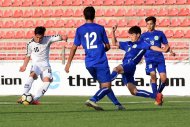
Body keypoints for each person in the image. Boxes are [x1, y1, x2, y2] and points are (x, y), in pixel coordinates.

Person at [65, 6, 125, 110]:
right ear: (94, 15)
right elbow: (108, 46)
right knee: (106, 86)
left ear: (84, 16)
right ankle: (93, 100)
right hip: (100, 61)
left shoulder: (80, 30)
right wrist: (102, 50)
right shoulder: (100, 28)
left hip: (89, 63)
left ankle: (118, 105)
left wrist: (68, 63)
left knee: (104, 85)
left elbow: (74, 47)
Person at [110, 25, 170, 105]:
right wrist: (113, 32)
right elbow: (114, 43)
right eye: (129, 35)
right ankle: (156, 96)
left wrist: (163, 50)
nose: (130, 36)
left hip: (130, 64)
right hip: (126, 67)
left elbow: (152, 47)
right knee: (134, 91)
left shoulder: (142, 44)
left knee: (116, 69)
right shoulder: (128, 44)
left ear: (138, 35)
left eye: (132, 35)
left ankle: (107, 80)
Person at [18, 26, 67, 105]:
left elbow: (58, 37)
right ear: (34, 35)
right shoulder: (30, 44)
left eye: (40, 38)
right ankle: (23, 96)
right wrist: (24, 66)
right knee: (32, 75)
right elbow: (28, 56)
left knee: (47, 81)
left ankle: (35, 99)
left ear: (43, 36)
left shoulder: (48, 39)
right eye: (37, 37)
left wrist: (63, 37)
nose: (39, 40)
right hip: (36, 65)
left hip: (45, 66)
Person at [140, 16, 175, 105]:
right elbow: (140, 48)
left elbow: (166, 45)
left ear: (155, 24)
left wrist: (170, 51)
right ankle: (157, 97)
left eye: (151, 24)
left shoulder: (160, 33)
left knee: (164, 79)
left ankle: (158, 94)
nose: (149, 26)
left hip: (159, 58)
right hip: (149, 59)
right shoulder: (143, 36)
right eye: (147, 24)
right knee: (153, 76)